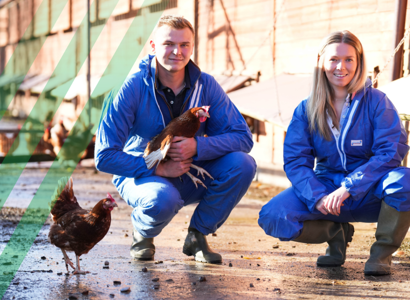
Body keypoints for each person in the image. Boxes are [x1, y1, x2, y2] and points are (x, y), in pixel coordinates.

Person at [95, 15, 256, 264]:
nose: (177, 52)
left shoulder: (206, 85)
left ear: (192, 47)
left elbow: (243, 138)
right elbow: (104, 157)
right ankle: (143, 232)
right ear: (153, 46)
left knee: (243, 165)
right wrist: (156, 166)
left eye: (184, 45)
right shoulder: (130, 88)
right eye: (169, 43)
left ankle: (198, 235)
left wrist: (198, 146)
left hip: (188, 167)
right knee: (162, 200)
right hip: (142, 174)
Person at [258, 30, 410, 275]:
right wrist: (317, 197)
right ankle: (335, 232)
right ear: (321, 62)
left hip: (370, 190)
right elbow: (296, 161)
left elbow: (390, 152)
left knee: (404, 181)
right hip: (326, 188)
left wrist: (349, 187)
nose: (341, 66)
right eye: (333, 59)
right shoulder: (306, 109)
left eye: (349, 59)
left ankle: (381, 254)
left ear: (359, 62)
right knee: (273, 216)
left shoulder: (378, 102)